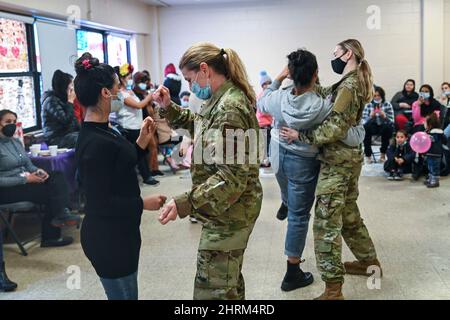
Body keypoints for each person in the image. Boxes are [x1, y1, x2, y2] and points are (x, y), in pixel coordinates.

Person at [154, 43, 262, 300]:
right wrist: (169, 108)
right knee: (227, 281)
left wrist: (184, 203)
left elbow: (231, 179)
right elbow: (201, 125)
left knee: (213, 289)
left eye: (190, 80)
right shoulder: (221, 99)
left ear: (205, 69)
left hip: (230, 210)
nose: (190, 87)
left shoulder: (229, 107)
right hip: (226, 208)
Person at [257, 49, 365, 293]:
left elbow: (261, 102)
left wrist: (278, 78)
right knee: (298, 216)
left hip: (277, 154)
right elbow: (345, 134)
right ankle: (292, 272)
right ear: (316, 74)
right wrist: (360, 131)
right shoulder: (322, 107)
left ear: (291, 75)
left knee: (286, 188)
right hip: (302, 162)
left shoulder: (279, 98)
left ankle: (285, 200)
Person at [74, 53, 167, 300]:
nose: (121, 92)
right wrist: (142, 204)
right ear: (106, 93)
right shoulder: (93, 143)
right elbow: (99, 202)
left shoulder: (107, 130)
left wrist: (141, 143)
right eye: (118, 87)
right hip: (107, 238)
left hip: (122, 232)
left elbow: (119, 167)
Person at [295, 39, 381, 300]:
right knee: (348, 213)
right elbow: (326, 95)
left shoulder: (349, 85)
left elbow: (335, 128)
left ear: (349, 54)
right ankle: (368, 262)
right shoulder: (351, 82)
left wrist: (301, 136)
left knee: (326, 223)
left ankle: (333, 289)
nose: (333, 58)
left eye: (336, 54)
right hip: (348, 159)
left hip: (337, 163)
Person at [0, 109, 80, 247]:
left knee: (56, 175)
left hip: (24, 181)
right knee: (51, 192)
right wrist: (26, 180)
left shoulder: (15, 142)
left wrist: (37, 171)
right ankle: (53, 232)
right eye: (8, 122)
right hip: (6, 189)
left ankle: (61, 214)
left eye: (14, 122)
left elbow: (28, 164)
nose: (12, 125)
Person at [114, 64, 159, 186]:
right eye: (128, 77)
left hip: (136, 125)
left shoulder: (129, 91)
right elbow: (138, 105)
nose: (130, 79)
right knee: (139, 153)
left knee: (143, 152)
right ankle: (146, 176)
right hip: (129, 126)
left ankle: (148, 174)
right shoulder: (121, 94)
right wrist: (149, 96)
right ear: (122, 79)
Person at [133, 71, 162, 177]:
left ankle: (155, 168)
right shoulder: (135, 93)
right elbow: (140, 105)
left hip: (151, 120)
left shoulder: (145, 92)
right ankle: (150, 171)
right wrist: (148, 98)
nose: (144, 84)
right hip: (143, 122)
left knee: (155, 146)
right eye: (142, 82)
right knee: (151, 146)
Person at [41, 70, 80, 148]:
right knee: (81, 139)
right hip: (55, 138)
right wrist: (70, 101)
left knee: (90, 136)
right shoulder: (51, 101)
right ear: (64, 86)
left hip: (68, 134)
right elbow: (65, 120)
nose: (73, 87)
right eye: (71, 84)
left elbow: (74, 122)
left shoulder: (63, 99)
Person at [362, 86, 394, 163]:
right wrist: (370, 116)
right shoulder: (368, 105)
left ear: (382, 96)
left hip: (384, 126)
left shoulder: (387, 104)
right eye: (374, 96)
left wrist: (384, 116)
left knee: (387, 128)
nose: (376, 97)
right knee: (365, 128)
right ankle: (368, 155)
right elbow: (363, 121)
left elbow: (392, 121)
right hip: (372, 126)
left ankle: (383, 154)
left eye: (378, 95)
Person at [424, 113, 447, 188]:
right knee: (430, 166)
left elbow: (434, 139)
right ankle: (431, 178)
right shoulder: (432, 132)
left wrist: (427, 135)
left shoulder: (436, 132)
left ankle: (435, 180)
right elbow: (445, 140)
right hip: (431, 153)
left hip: (435, 153)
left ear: (430, 125)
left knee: (434, 167)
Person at [256, 71, 273, 168]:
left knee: (268, 143)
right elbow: (263, 110)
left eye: (269, 83)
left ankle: (266, 160)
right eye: (264, 84)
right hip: (262, 124)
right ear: (262, 86)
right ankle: (264, 161)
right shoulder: (261, 95)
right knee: (265, 143)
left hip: (268, 124)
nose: (267, 86)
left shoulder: (271, 95)